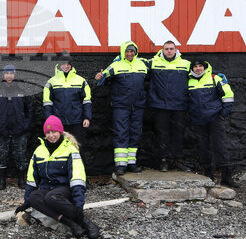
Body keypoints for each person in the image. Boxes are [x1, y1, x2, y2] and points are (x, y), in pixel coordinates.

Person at [15, 115, 101, 239]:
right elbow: (32, 179)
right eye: (48, 132)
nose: (51, 135)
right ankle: (71, 223)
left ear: (60, 132)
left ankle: (86, 222)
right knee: (33, 198)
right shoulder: (39, 151)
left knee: (51, 197)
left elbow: (77, 178)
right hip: (48, 189)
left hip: (65, 189)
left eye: (54, 131)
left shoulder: (70, 150)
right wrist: (26, 202)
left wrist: (78, 205)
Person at [94, 41, 148, 176]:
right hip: (121, 106)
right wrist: (98, 77)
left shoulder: (143, 64)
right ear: (123, 52)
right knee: (121, 133)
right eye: (127, 51)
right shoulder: (116, 65)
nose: (130, 54)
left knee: (135, 133)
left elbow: (161, 60)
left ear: (135, 52)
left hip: (138, 106)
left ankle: (132, 163)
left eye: (132, 51)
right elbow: (100, 80)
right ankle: (120, 165)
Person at [186, 60, 238, 188]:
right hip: (198, 120)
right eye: (195, 67)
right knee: (203, 148)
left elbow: (228, 95)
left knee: (220, 147)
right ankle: (209, 175)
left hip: (214, 118)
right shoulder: (188, 81)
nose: (198, 69)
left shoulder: (215, 78)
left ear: (204, 67)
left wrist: (223, 114)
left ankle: (226, 177)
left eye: (200, 66)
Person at [0, 64, 34, 190]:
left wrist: (25, 125)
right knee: (1, 156)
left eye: (11, 73)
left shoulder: (22, 89)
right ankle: (2, 180)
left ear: (15, 74)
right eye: (6, 73)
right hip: (1, 130)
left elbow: (30, 110)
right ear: (3, 75)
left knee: (20, 156)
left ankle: (21, 180)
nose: (9, 76)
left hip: (19, 130)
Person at [147, 41, 191, 172]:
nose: (169, 51)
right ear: (162, 50)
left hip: (179, 105)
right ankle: (163, 161)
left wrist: (217, 76)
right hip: (160, 105)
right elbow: (131, 63)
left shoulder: (186, 64)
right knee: (162, 134)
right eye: (166, 49)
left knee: (179, 134)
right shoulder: (153, 62)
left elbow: (202, 71)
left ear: (176, 50)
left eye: (171, 49)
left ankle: (179, 160)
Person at [42, 55, 92, 159]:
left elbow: (86, 101)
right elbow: (47, 102)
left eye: (68, 64)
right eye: (63, 64)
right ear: (59, 65)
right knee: (58, 148)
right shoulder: (51, 82)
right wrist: (49, 119)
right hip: (58, 122)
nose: (66, 66)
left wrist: (87, 117)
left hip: (77, 121)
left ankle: (79, 172)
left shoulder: (81, 81)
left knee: (78, 147)